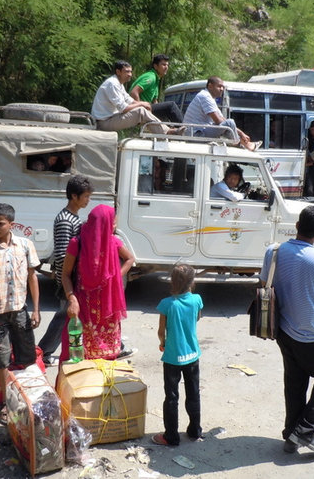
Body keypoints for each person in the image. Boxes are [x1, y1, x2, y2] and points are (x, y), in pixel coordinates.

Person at [260, 206, 314, 454]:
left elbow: (264, 283)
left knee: (295, 383)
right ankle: (304, 431)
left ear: (297, 226)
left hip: (284, 330)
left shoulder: (274, 251)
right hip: (313, 336)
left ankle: (290, 435)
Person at [0, 202, 41, 424]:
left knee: (27, 356)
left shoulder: (24, 245)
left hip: (20, 310)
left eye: (0, 224)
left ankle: (31, 395)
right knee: (1, 360)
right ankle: (7, 402)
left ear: (11, 224)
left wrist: (36, 309)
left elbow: (32, 277)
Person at [61, 204, 135, 361]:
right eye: (112, 223)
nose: (114, 227)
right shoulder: (77, 243)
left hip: (107, 311)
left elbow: (130, 259)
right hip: (82, 310)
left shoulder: (113, 242)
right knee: (77, 357)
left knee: (107, 360)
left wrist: (115, 278)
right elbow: (65, 275)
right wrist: (72, 299)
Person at [37, 175, 92, 364]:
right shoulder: (65, 220)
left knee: (64, 317)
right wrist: (66, 281)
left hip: (69, 277)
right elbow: (61, 255)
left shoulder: (73, 217)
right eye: (85, 196)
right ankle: (42, 352)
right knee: (63, 317)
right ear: (74, 196)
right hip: (67, 279)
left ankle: (43, 351)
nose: (88, 200)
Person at [152, 264, 204, 446]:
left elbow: (161, 332)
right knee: (194, 394)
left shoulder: (166, 304)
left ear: (172, 282)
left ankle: (171, 436)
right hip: (192, 355)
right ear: (192, 282)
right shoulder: (197, 299)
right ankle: (195, 430)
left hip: (173, 357)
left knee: (172, 397)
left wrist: (162, 343)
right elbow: (197, 318)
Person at [182, 76, 261, 151]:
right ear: (210, 86)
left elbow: (223, 120)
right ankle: (243, 145)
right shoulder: (204, 96)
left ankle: (242, 143)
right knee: (230, 122)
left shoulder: (209, 98)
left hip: (198, 132)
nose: (222, 89)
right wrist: (240, 134)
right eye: (219, 86)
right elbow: (219, 121)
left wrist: (241, 133)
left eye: (223, 87)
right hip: (196, 134)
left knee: (229, 123)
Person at [91, 60, 171, 133]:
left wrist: (144, 103)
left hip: (110, 119)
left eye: (130, 72)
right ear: (118, 72)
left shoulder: (119, 84)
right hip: (103, 123)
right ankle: (167, 132)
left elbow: (129, 100)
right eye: (127, 72)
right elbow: (123, 108)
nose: (130, 75)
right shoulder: (112, 84)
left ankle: (162, 132)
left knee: (142, 109)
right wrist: (141, 104)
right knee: (140, 111)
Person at [129, 54, 184, 123]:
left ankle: (173, 130)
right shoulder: (151, 77)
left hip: (148, 108)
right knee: (171, 106)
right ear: (156, 66)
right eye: (163, 65)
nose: (166, 67)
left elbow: (155, 102)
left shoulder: (156, 79)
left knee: (165, 111)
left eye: (167, 65)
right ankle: (185, 128)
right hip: (138, 108)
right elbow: (134, 92)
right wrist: (140, 108)